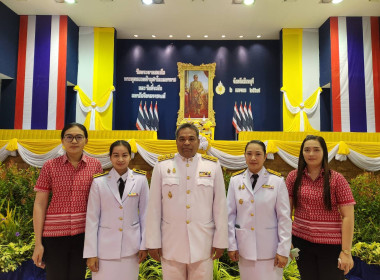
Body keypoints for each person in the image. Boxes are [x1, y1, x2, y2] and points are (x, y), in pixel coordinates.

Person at [145, 123, 228, 280]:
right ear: (176, 141)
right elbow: (154, 208)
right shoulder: (162, 165)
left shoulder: (212, 166)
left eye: (191, 138)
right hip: (171, 244)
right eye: (182, 139)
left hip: (203, 244)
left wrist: (220, 240)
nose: (187, 143)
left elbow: (220, 207)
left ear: (198, 141)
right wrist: (153, 242)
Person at [32, 123, 103, 280]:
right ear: (62, 141)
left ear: (86, 141)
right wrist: (38, 243)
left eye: (79, 137)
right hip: (54, 236)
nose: (74, 141)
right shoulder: (50, 166)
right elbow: (39, 204)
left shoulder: (95, 166)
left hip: (83, 235)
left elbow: (99, 203)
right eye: (69, 137)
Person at [285, 135, 355, 280]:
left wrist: (346, 252)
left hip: (331, 246)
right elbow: (286, 212)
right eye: (307, 150)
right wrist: (287, 241)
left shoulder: (337, 179)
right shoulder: (293, 177)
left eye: (316, 150)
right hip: (301, 243)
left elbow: (348, 217)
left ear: (324, 152)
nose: (311, 154)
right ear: (302, 153)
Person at [83, 140, 149, 280]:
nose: (120, 159)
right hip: (104, 250)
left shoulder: (140, 180)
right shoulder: (99, 182)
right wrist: (91, 253)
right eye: (116, 155)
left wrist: (144, 245)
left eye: (124, 155)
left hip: (131, 249)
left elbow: (145, 214)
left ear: (130, 156)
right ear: (110, 157)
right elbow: (92, 218)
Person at [227, 140, 292, 280]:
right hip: (245, 249)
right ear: (244, 156)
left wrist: (283, 250)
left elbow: (284, 218)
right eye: (249, 154)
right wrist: (232, 245)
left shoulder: (277, 181)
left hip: (271, 250)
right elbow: (230, 216)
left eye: (258, 154)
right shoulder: (235, 181)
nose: (253, 158)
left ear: (265, 156)